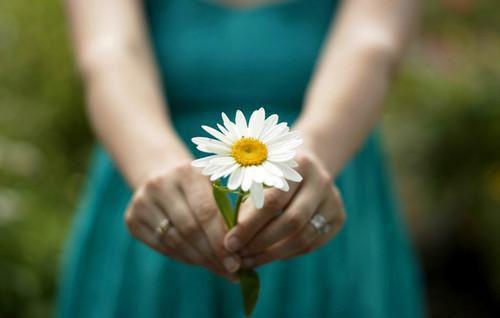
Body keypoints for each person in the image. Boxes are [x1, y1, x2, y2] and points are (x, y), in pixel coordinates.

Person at [56, 0, 424, 317]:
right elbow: (109, 51)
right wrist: (154, 164)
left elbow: (372, 43)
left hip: (317, 193)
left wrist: (313, 150)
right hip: (151, 192)